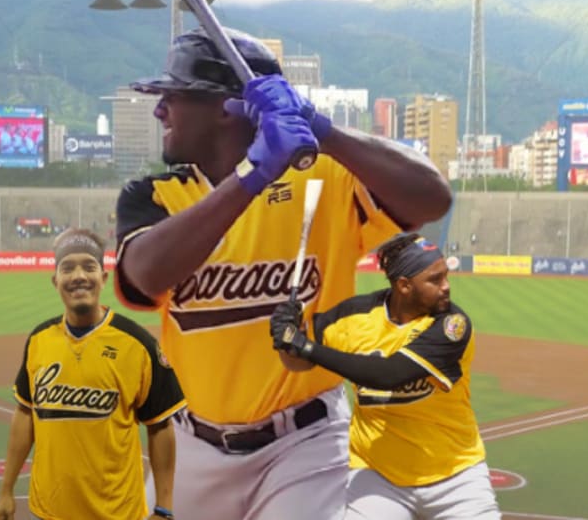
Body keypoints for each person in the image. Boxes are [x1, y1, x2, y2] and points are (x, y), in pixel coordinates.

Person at [114, 27, 451, 520]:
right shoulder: (155, 197)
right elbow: (145, 274)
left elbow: (433, 198)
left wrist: (324, 130)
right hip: (191, 445)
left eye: (174, 95)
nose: (160, 110)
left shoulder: (323, 177)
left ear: (226, 108)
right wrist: (253, 174)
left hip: (306, 445)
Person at [269, 232, 500, 520]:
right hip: (378, 477)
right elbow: (297, 361)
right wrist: (286, 336)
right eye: (435, 279)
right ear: (404, 285)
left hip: (455, 474)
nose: (446, 287)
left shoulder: (452, 325)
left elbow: (388, 374)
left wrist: (305, 346)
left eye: (445, 276)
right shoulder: (353, 316)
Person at [0, 228, 185, 520]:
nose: (79, 276)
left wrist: (164, 507)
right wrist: (6, 490)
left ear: (103, 278)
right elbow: (25, 413)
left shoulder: (138, 344)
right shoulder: (39, 340)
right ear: (55, 281)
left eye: (88, 266)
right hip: (47, 512)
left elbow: (160, 427)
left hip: (117, 514)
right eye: (67, 268)